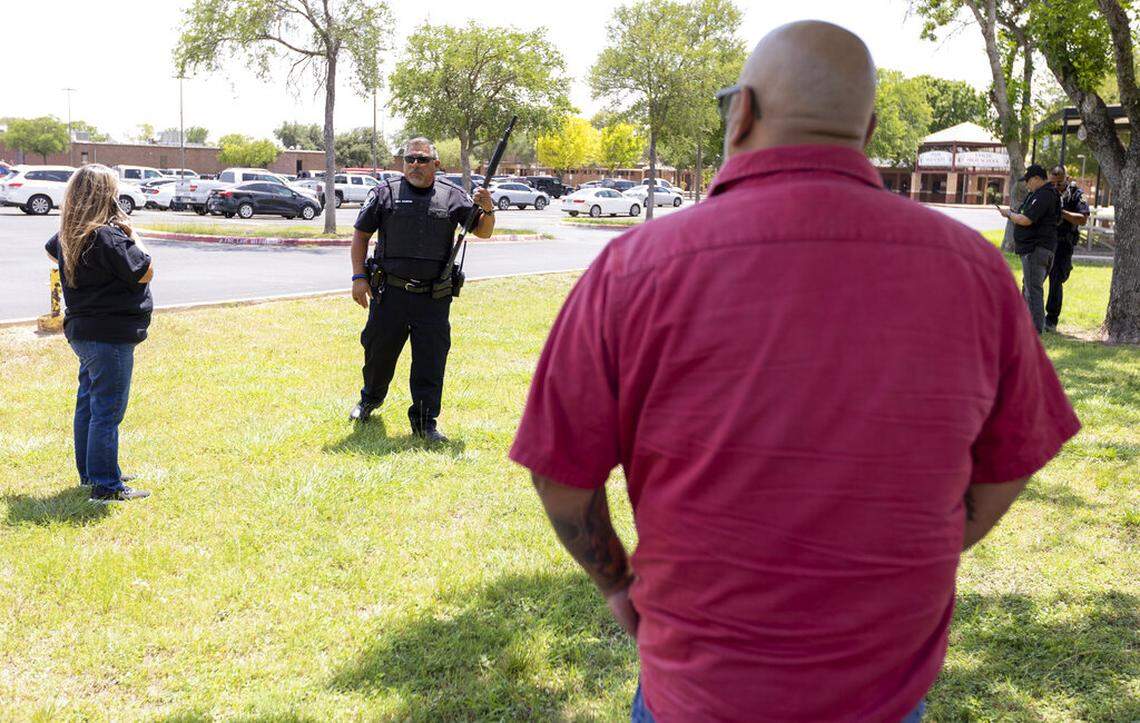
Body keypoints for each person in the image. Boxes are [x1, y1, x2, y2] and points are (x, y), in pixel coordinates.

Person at [511, 21, 1080, 722]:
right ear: (868, 129)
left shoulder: (636, 268)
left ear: (741, 110)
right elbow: (1014, 455)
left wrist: (616, 584)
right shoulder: (973, 273)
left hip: (696, 693)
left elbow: (559, 472)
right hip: (884, 696)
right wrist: (930, 539)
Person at [348, 137, 495, 442]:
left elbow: (482, 230)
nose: (415, 165)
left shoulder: (452, 196)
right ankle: (369, 400)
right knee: (378, 355)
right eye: (409, 159)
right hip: (390, 295)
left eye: (422, 160)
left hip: (433, 298)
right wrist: (358, 277)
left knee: (430, 361)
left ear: (436, 165)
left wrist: (488, 210)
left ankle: (425, 422)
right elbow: (361, 234)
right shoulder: (384, 193)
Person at [44, 164, 154, 503]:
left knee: (90, 405)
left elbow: (51, 250)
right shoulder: (108, 235)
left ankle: (92, 472)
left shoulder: (72, 233)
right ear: (105, 195)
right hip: (109, 334)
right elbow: (145, 271)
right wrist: (131, 234)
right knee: (108, 409)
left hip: (84, 331)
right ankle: (106, 486)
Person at [999, 164, 1061, 333]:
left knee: (1033, 292)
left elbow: (1027, 220)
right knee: (1028, 288)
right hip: (1037, 249)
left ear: (1036, 178)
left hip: (1036, 250)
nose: (1027, 185)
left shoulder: (1044, 195)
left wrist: (1009, 215)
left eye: (1028, 181)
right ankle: (1021, 326)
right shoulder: (1039, 194)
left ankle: (1034, 332)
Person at [1045, 166, 1089, 331]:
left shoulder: (1077, 194)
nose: (1056, 187)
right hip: (1045, 241)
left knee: (1056, 280)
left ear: (1067, 178)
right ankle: (1027, 316)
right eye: (1053, 183)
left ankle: (1051, 320)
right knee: (1033, 280)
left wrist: (1062, 212)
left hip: (1063, 243)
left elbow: (1082, 219)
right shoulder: (1046, 191)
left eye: (1060, 183)